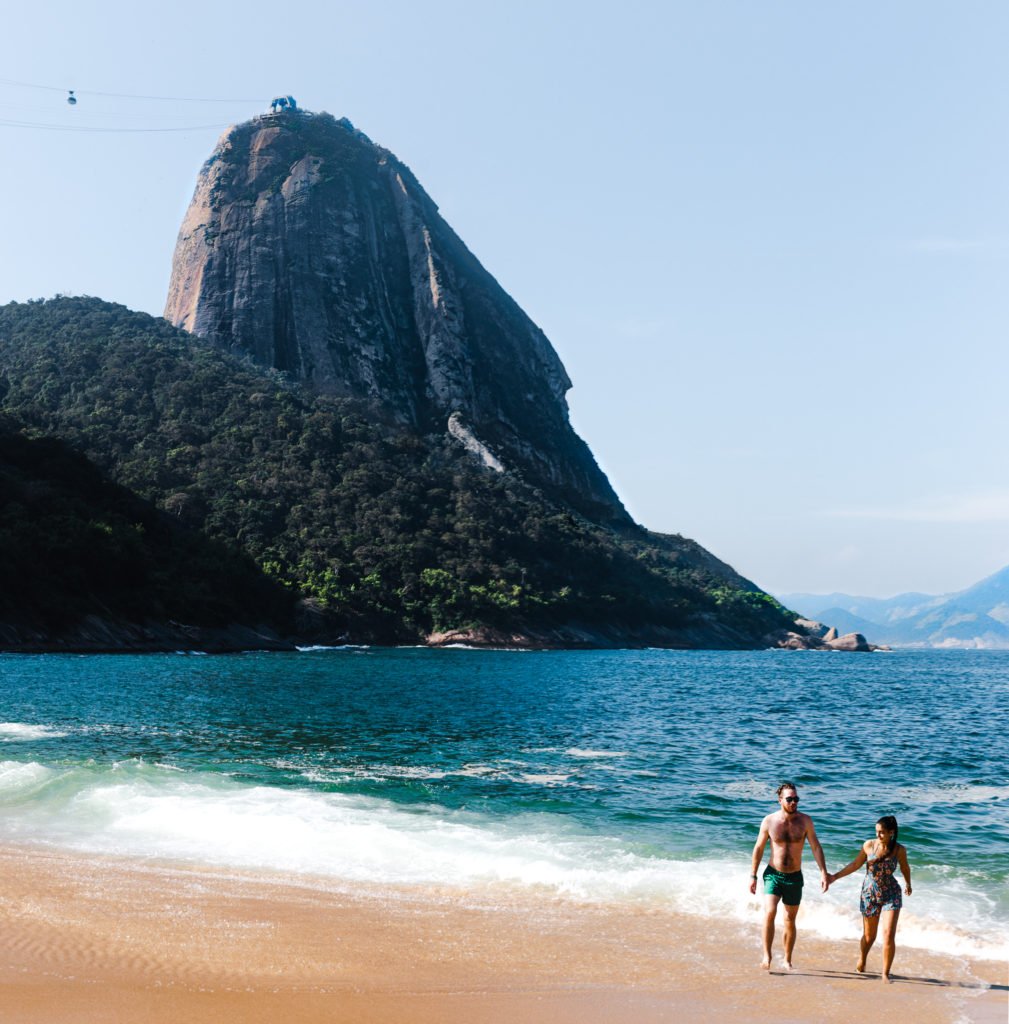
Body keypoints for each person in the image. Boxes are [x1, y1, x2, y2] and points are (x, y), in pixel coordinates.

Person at [749, 781, 829, 970]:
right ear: (780, 800)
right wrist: (752, 875)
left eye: (796, 799)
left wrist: (823, 872)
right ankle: (767, 956)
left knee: (789, 920)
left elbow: (816, 847)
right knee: (769, 912)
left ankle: (787, 959)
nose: (794, 802)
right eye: (789, 799)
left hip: (794, 877)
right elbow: (758, 848)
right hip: (773, 875)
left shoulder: (805, 821)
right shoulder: (769, 821)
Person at [827, 815, 912, 983]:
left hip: (891, 894)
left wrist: (908, 884)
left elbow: (905, 867)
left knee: (888, 935)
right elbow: (855, 864)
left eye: (881, 833)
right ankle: (863, 958)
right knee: (869, 937)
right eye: (876, 832)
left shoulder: (899, 850)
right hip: (870, 894)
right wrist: (834, 877)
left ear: (891, 833)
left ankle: (885, 973)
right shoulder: (869, 845)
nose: (878, 836)